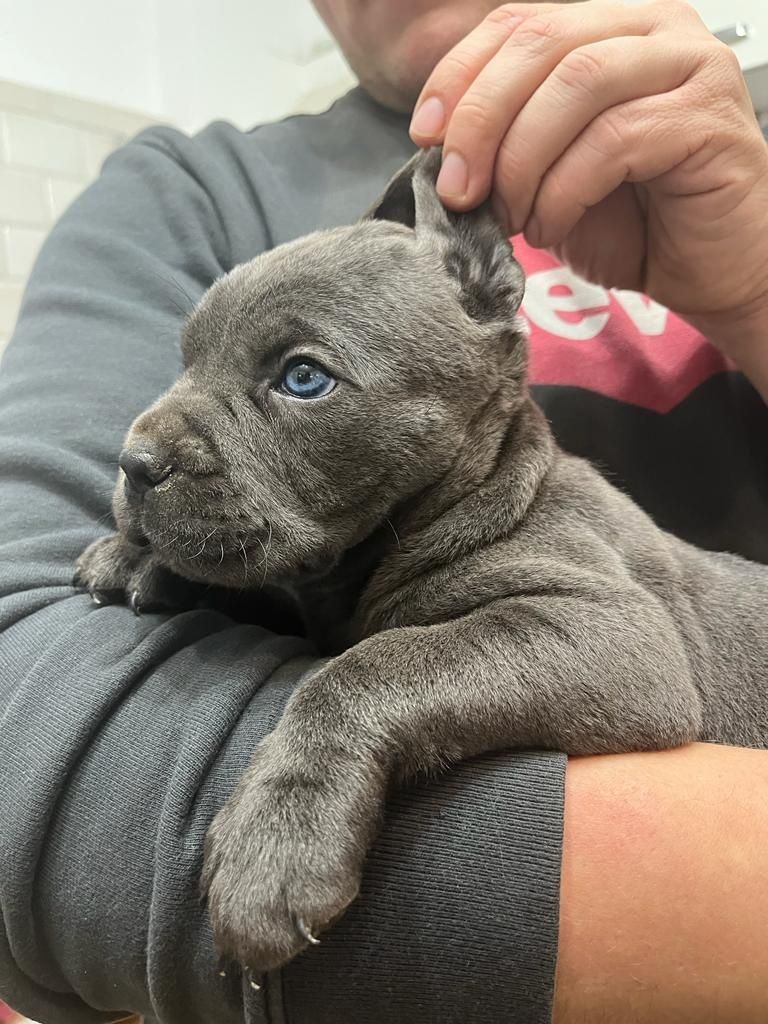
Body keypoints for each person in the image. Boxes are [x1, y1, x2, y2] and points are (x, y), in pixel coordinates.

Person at [1, 1, 767, 1021]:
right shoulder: (190, 191)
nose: (146, 445)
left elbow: (636, 670)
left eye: (300, 378)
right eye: (196, 365)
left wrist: (756, 289)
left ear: (494, 351)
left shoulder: (535, 527)